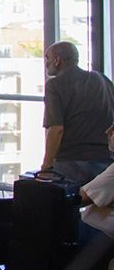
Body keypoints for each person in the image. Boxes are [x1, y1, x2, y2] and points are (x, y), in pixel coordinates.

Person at [41, 41, 114, 188]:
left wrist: (46, 167)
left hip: (72, 162)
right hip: (106, 161)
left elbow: (56, 129)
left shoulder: (54, 85)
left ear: (57, 60)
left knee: (63, 206)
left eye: (47, 58)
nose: (46, 64)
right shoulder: (101, 79)